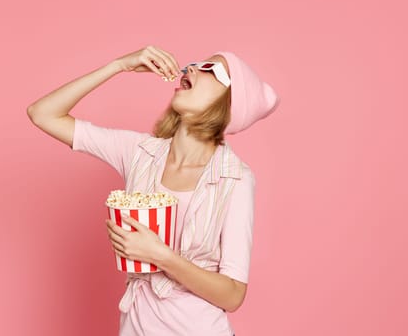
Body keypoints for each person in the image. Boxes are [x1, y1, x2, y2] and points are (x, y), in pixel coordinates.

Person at [27, 45, 280, 336]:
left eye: (211, 69)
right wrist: (119, 65)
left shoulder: (235, 178)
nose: (192, 67)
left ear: (231, 102)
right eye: (195, 63)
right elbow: (42, 113)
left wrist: (161, 256)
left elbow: (233, 294)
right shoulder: (138, 152)